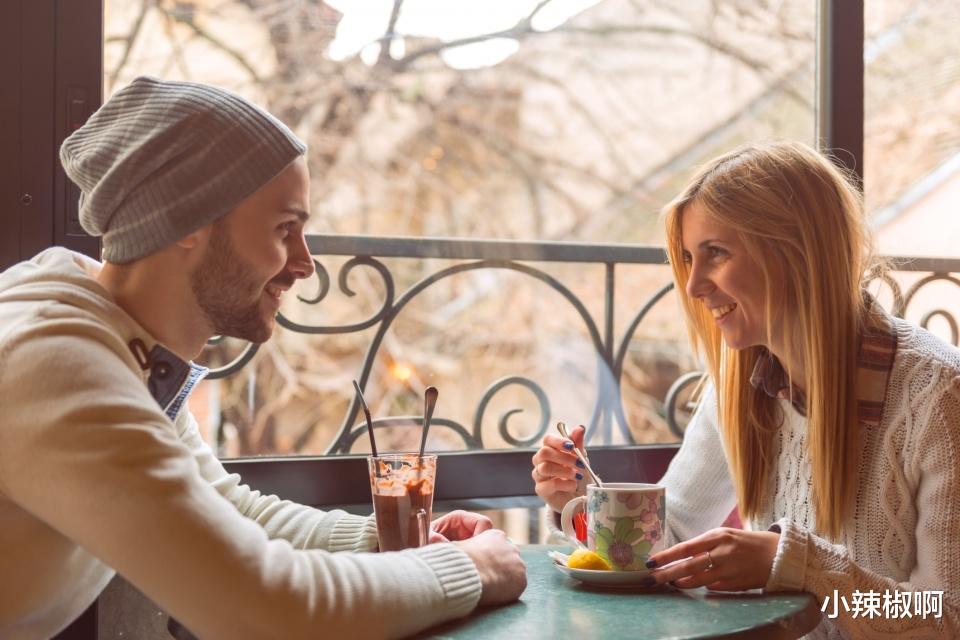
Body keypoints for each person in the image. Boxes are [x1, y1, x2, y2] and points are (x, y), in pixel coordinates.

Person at [0, 76, 525, 640]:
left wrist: (386, 540)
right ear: (186, 223)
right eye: (285, 229)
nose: (305, 264)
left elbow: (220, 507)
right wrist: (472, 568)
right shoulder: (63, 368)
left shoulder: (117, 341)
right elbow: (269, 606)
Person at [532, 141, 958, 638]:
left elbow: (945, 618)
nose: (693, 287)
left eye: (716, 253)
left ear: (797, 252)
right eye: (689, 258)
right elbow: (666, 546)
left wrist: (802, 565)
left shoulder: (938, 396)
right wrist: (584, 499)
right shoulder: (739, 388)